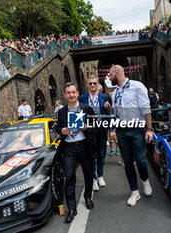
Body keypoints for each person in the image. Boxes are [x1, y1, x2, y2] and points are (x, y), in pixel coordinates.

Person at [104, 65, 153, 207]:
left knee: (141, 160)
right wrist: (110, 109)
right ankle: (134, 191)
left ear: (117, 73)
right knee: (127, 162)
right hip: (122, 130)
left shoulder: (137, 87)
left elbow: (145, 108)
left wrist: (149, 129)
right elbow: (117, 112)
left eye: (110, 75)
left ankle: (145, 180)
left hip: (137, 129)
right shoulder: (116, 92)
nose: (109, 77)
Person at [55, 82, 95, 223]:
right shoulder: (61, 111)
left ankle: (88, 197)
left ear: (77, 93)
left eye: (73, 92)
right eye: (68, 93)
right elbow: (58, 127)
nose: (71, 95)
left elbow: (93, 124)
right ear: (65, 95)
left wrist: (86, 127)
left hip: (84, 145)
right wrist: (62, 131)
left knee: (88, 173)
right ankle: (72, 208)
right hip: (69, 148)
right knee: (69, 176)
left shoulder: (87, 109)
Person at [79, 75, 111, 191]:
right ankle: (93, 178)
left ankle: (100, 176)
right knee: (91, 154)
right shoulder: (82, 98)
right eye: (90, 83)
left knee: (101, 153)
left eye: (94, 83)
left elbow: (109, 114)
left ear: (98, 84)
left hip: (102, 128)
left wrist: (111, 129)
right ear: (88, 85)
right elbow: (79, 113)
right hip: (89, 130)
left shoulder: (105, 97)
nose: (92, 85)